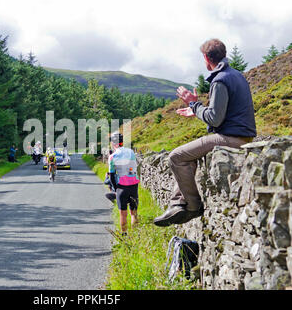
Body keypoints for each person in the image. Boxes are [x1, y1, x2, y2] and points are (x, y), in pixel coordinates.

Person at [154, 39, 257, 227]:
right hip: (243, 136)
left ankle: (192, 206)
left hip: (231, 139)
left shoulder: (220, 80)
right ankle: (177, 203)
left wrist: (194, 104)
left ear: (205, 58)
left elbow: (215, 118)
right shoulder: (237, 76)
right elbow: (221, 112)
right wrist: (197, 110)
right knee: (189, 156)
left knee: (176, 157)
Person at [108, 133, 140, 236]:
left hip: (122, 187)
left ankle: (124, 235)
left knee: (123, 213)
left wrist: (116, 189)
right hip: (134, 185)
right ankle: (135, 235)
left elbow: (112, 176)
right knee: (134, 213)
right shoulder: (131, 152)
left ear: (113, 143)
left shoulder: (112, 156)